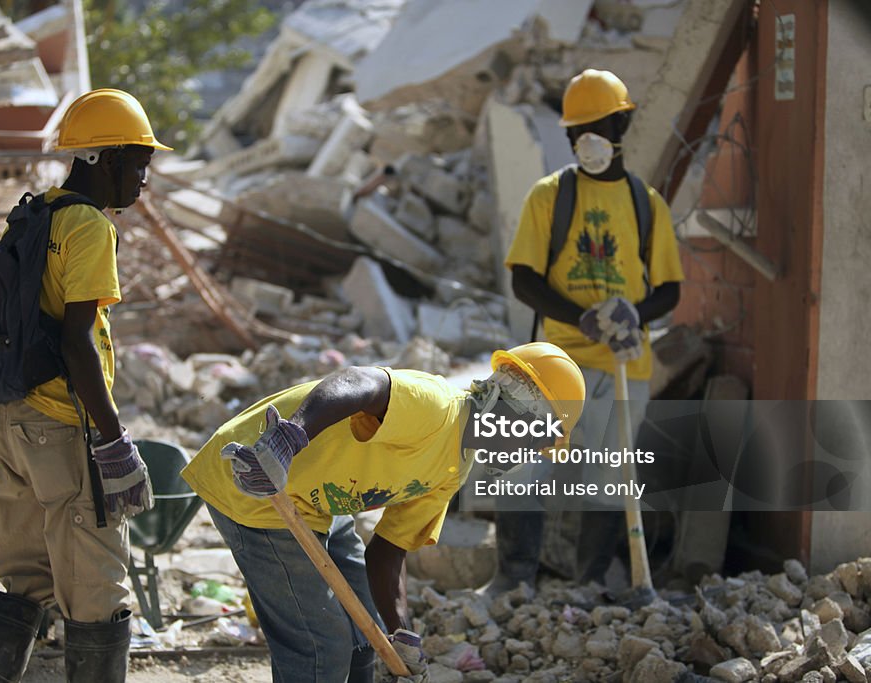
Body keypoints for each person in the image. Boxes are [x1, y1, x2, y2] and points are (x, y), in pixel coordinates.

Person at [181, 343, 585, 683]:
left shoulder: (452, 470)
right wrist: (288, 439)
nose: (530, 454)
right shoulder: (437, 408)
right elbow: (358, 381)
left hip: (321, 503)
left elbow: (388, 552)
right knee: (321, 644)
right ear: (516, 411)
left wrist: (399, 631)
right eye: (536, 440)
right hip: (256, 480)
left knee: (364, 636)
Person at [0, 89, 172, 683]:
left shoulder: (41, 211)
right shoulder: (89, 228)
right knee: (98, 595)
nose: (142, 179)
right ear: (106, 160)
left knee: (25, 582)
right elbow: (77, 341)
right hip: (60, 428)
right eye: (138, 164)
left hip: (10, 421)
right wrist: (114, 443)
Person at [488, 69, 684, 594]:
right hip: (556, 362)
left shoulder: (647, 205)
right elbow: (524, 279)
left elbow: (669, 289)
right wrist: (583, 319)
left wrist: (631, 315)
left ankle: (589, 582)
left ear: (621, 125)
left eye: (599, 127)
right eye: (578, 132)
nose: (587, 141)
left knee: (605, 481)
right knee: (520, 469)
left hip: (623, 364)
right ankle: (513, 581)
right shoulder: (549, 196)